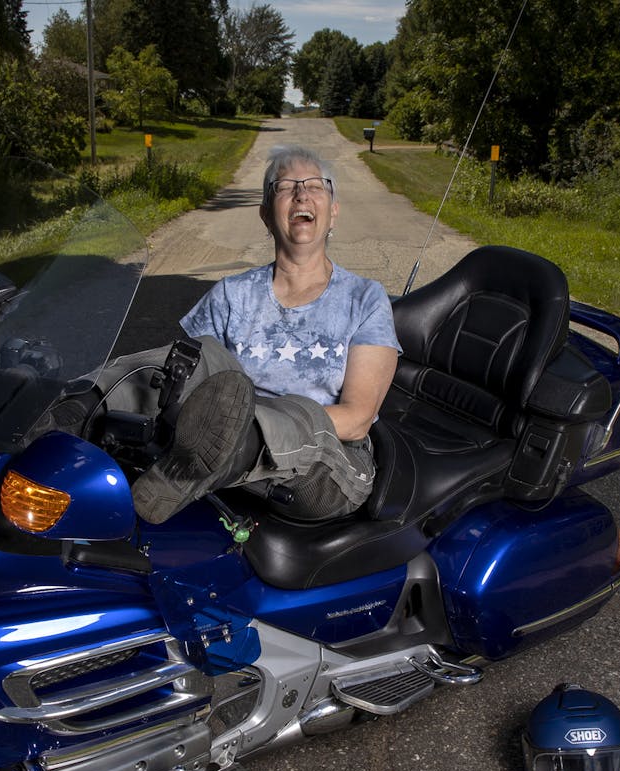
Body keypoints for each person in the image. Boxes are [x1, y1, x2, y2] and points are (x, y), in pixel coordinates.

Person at [54, 144, 400, 524]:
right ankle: (78, 405)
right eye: (286, 186)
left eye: (315, 185)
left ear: (333, 212)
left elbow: (358, 418)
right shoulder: (232, 294)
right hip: (221, 440)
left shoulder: (365, 298)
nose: (301, 193)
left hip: (328, 468)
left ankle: (217, 453)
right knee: (192, 355)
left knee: (300, 412)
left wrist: (246, 422)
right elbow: (179, 378)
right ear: (266, 215)